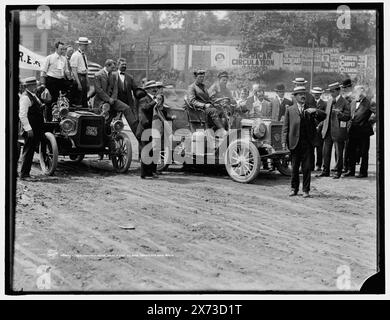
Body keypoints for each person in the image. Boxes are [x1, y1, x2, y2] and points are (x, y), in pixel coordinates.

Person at [282, 86, 326, 198]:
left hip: (307, 143)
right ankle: (294, 189)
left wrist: (315, 110)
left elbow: (324, 116)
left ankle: (306, 190)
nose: (303, 96)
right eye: (300, 94)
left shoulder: (310, 108)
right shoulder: (290, 110)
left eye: (304, 94)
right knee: (295, 168)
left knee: (306, 168)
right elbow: (285, 128)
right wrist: (284, 142)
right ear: (295, 96)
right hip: (294, 143)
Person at [317, 82, 351, 179]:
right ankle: (325, 170)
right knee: (326, 152)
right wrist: (321, 125)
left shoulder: (344, 102)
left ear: (338, 91)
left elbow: (348, 117)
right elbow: (326, 116)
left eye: (332, 91)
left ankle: (338, 171)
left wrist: (340, 115)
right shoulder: (329, 101)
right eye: (330, 91)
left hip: (338, 131)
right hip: (327, 131)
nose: (331, 93)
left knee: (339, 153)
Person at [343, 85, 376, 178]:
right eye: (356, 91)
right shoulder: (353, 102)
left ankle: (363, 172)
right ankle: (351, 170)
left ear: (363, 92)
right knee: (351, 151)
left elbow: (377, 114)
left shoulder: (370, 102)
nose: (357, 93)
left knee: (364, 152)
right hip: (353, 131)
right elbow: (349, 115)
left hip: (364, 131)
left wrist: (369, 121)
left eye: (359, 91)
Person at [18, 77, 45, 180]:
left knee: (30, 150)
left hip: (35, 127)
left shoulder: (33, 96)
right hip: (30, 128)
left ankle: (26, 173)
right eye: (34, 85)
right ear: (28, 86)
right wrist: (28, 129)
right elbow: (22, 115)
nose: (35, 87)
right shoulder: (25, 97)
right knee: (28, 151)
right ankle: (24, 175)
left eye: (35, 85)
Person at [136, 80, 163, 179]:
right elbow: (145, 108)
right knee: (145, 150)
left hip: (152, 128)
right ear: (147, 89)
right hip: (144, 128)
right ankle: (143, 174)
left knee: (152, 151)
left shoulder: (154, 99)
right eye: (152, 88)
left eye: (155, 88)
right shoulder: (144, 99)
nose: (154, 89)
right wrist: (154, 102)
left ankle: (150, 172)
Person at [187, 69, 226, 135]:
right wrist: (204, 105)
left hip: (207, 108)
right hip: (199, 110)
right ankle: (222, 131)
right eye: (200, 77)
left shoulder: (203, 86)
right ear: (195, 77)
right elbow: (192, 101)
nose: (202, 79)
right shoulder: (192, 87)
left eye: (203, 77)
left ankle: (220, 131)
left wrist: (215, 101)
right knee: (213, 111)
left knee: (221, 109)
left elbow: (207, 99)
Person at [40, 41, 68, 121]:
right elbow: (43, 71)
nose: (62, 51)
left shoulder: (64, 59)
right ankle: (48, 121)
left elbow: (66, 71)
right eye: (61, 49)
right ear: (56, 48)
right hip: (51, 81)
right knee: (49, 102)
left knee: (62, 101)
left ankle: (60, 120)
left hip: (61, 81)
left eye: (63, 49)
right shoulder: (49, 57)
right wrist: (43, 84)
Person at [113, 58, 139, 139]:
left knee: (133, 123)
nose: (124, 66)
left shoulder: (129, 77)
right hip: (116, 103)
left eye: (125, 65)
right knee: (115, 123)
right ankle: (114, 139)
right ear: (118, 65)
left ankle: (139, 138)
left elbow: (135, 89)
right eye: (122, 64)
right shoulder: (113, 75)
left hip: (128, 104)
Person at [70, 37, 91, 108]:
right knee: (79, 98)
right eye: (84, 45)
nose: (86, 46)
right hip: (79, 77)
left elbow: (85, 69)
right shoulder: (75, 55)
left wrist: (87, 80)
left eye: (86, 45)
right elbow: (74, 71)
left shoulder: (84, 55)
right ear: (80, 45)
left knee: (84, 98)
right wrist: (78, 83)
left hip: (84, 77)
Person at [311, 87, 327, 171]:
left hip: (319, 130)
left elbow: (325, 117)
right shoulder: (310, 103)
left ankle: (319, 165)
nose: (316, 95)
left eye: (318, 93)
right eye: (314, 93)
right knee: (311, 148)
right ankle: (311, 165)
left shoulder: (324, 104)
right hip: (311, 129)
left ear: (320, 94)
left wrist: (319, 126)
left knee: (319, 149)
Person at [341, 78, 354, 172]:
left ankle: (347, 167)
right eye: (343, 87)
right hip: (345, 123)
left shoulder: (351, 97)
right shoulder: (345, 96)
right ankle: (344, 166)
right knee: (345, 145)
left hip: (350, 123)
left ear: (350, 87)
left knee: (349, 146)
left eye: (345, 87)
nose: (344, 89)